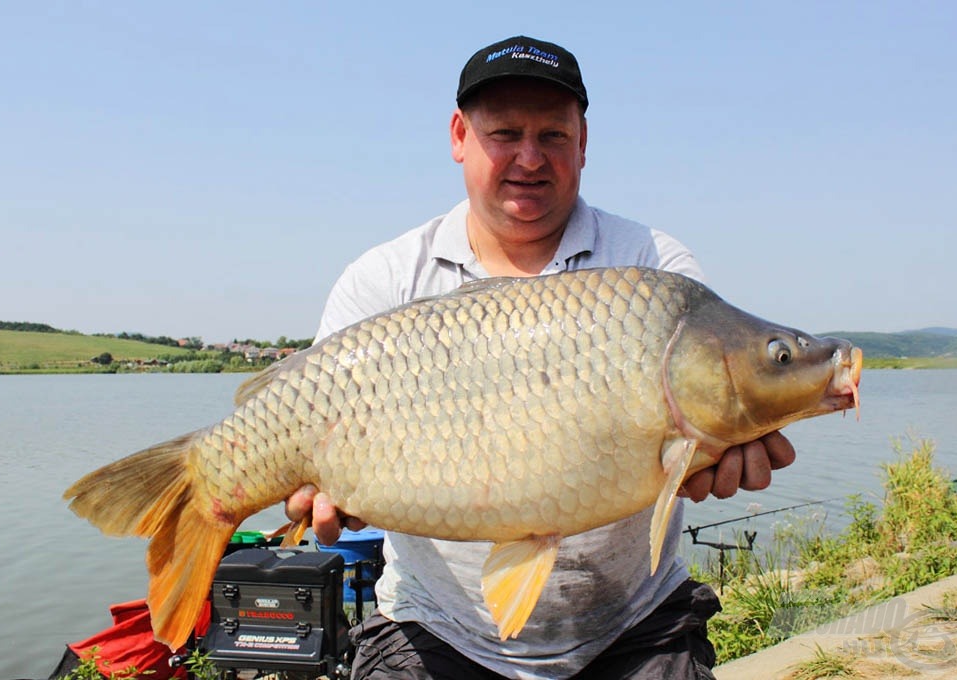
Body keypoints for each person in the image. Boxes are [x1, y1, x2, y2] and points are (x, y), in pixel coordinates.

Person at [286, 36, 796, 679]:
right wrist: (328, 490)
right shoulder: (384, 280)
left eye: (553, 135)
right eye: (504, 133)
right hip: (434, 625)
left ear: (583, 142)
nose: (530, 158)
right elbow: (320, 451)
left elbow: (690, 454)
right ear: (459, 136)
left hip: (632, 622)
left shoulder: (653, 266)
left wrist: (714, 453)